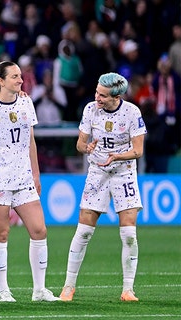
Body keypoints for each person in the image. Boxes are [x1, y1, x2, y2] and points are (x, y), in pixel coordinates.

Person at [0, 61, 60, 302]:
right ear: (0, 81)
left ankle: (39, 290)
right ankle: (3, 291)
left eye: (20, 75)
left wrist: (36, 173)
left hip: (23, 179)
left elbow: (30, 140)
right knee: (1, 234)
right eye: (14, 76)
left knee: (39, 230)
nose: (20, 80)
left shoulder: (26, 102)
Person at [60, 72, 147, 302]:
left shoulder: (132, 112)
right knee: (84, 230)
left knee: (128, 233)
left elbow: (138, 151)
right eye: (97, 92)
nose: (97, 98)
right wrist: (86, 147)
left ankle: (128, 289)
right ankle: (68, 286)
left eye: (103, 95)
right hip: (97, 172)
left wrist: (117, 157)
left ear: (116, 97)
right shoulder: (90, 109)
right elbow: (79, 143)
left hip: (124, 173)